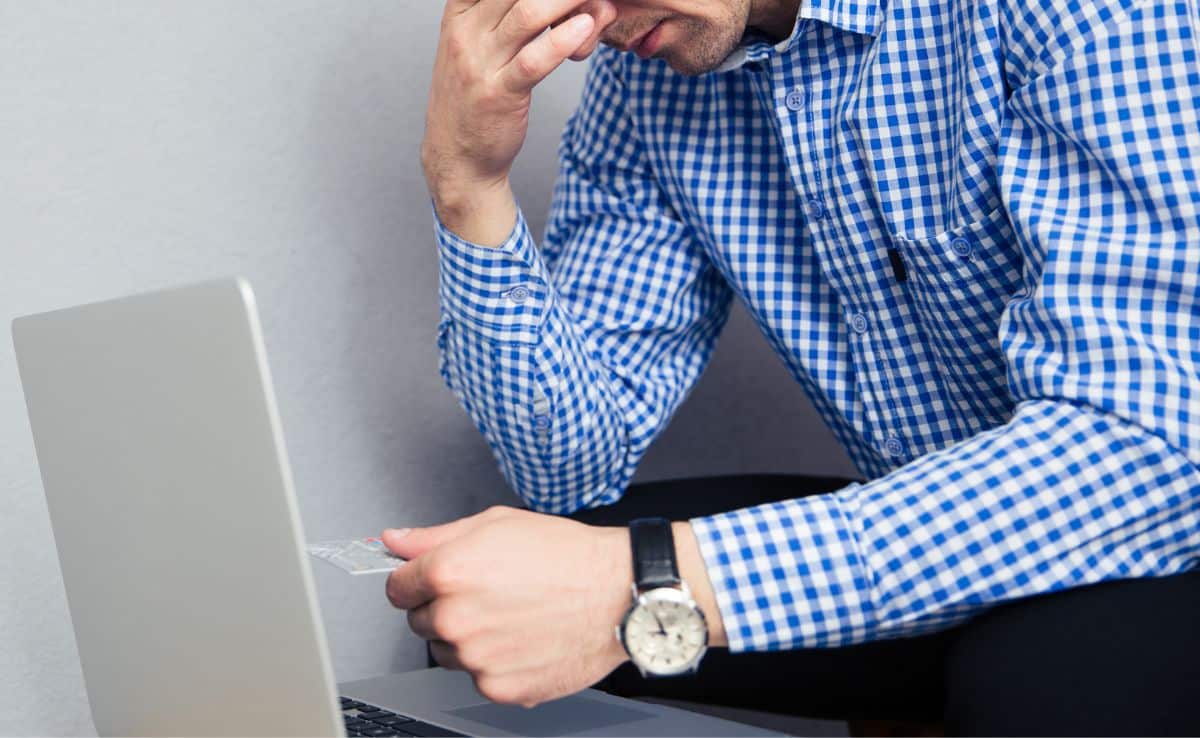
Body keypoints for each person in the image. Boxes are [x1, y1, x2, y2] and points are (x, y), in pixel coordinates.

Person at [384, 0, 1200, 732]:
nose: (584, 28)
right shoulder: (655, 77)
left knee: (1039, 689)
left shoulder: (1091, 11)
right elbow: (568, 465)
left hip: (1154, 534)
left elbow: (1147, 447)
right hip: (931, 531)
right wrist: (467, 183)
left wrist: (642, 583)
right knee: (478, 609)